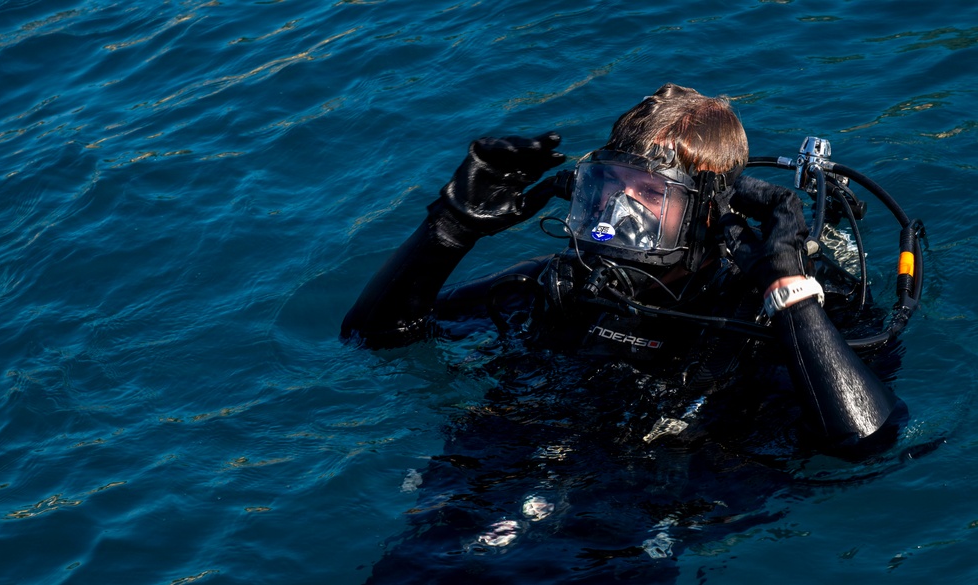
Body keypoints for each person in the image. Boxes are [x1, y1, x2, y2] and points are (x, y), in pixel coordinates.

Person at [342, 83, 909, 581]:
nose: (619, 208)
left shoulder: (758, 309)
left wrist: (786, 281)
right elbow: (375, 337)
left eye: (649, 192)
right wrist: (451, 225)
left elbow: (865, 443)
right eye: (610, 184)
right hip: (481, 493)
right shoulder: (562, 285)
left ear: (705, 212)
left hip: (626, 524)